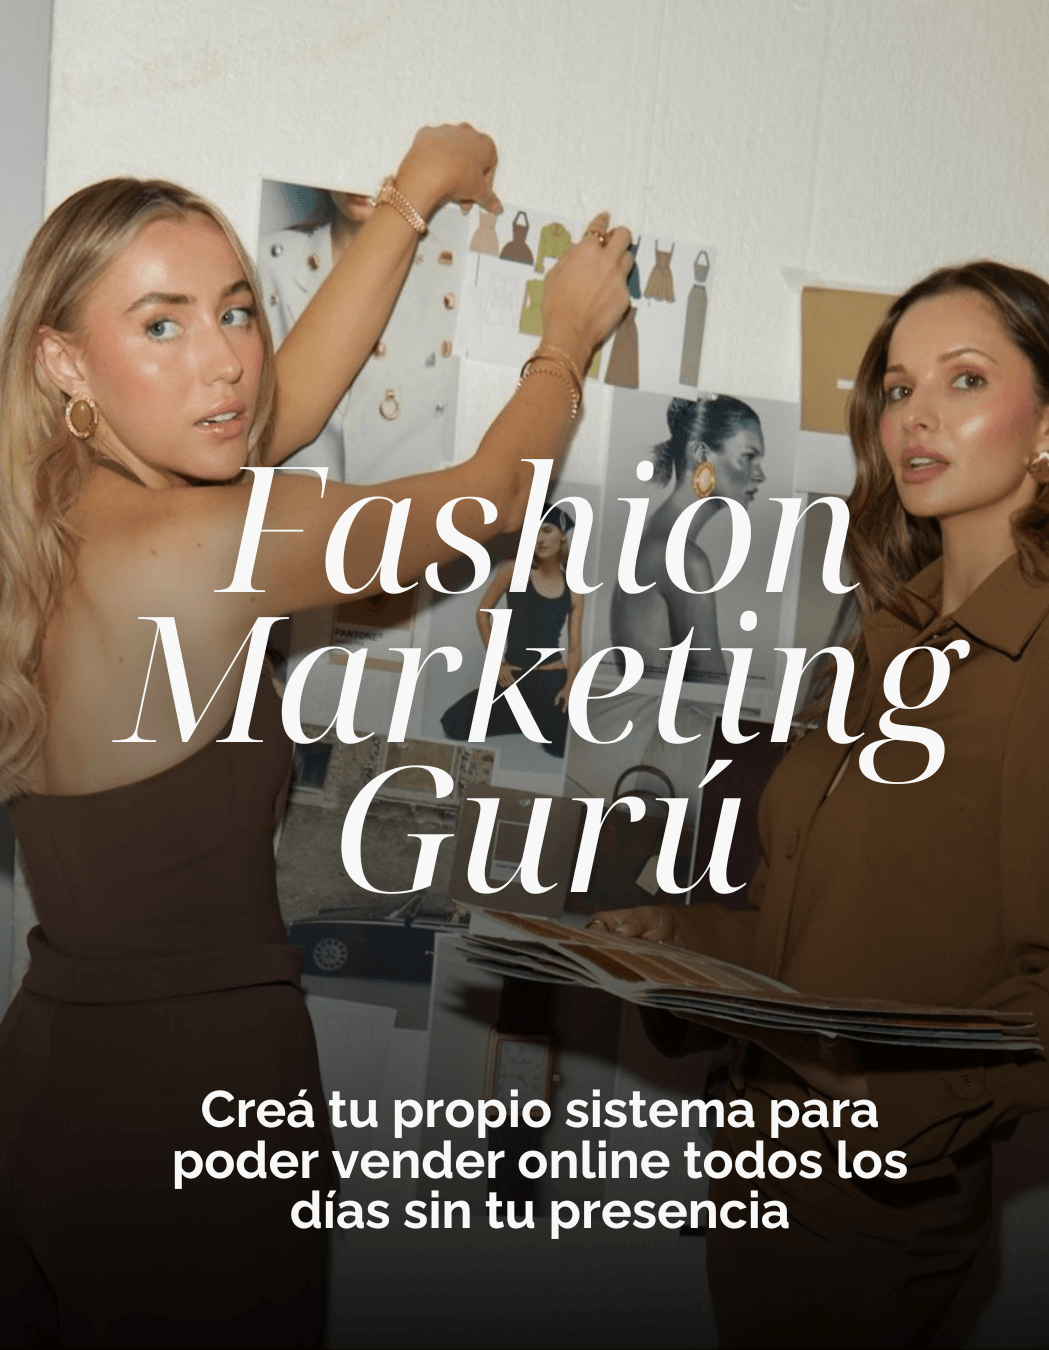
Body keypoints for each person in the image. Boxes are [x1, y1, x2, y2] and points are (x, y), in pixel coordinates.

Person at [0, 122, 631, 1346]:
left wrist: (412, 198)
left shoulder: (53, 508)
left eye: (236, 311)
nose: (225, 363)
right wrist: (566, 339)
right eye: (162, 325)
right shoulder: (212, 542)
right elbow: (490, 498)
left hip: (46, 1083)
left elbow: (273, 406)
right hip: (193, 1104)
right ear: (66, 360)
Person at [589, 260, 1049, 1348]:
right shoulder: (886, 632)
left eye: (964, 380)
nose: (916, 416)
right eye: (898, 389)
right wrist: (677, 939)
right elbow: (819, 927)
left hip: (874, 1205)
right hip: (760, 1172)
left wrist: (878, 1105)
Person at [259, 185, 461, 482]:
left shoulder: (454, 274)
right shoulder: (270, 261)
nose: (362, 185)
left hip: (412, 506)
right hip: (289, 504)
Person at [609, 393, 766, 681]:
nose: (760, 475)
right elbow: (714, 696)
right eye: (748, 457)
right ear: (701, 455)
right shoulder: (680, 558)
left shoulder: (653, 536)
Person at [440, 504, 584, 758]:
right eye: (534, 532)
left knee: (558, 748)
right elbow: (482, 613)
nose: (539, 539)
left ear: (562, 536)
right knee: (454, 723)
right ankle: (527, 718)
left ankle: (535, 717)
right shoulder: (514, 569)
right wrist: (497, 664)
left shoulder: (574, 588)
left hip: (552, 679)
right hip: (514, 677)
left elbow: (574, 647)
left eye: (547, 530)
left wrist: (570, 685)